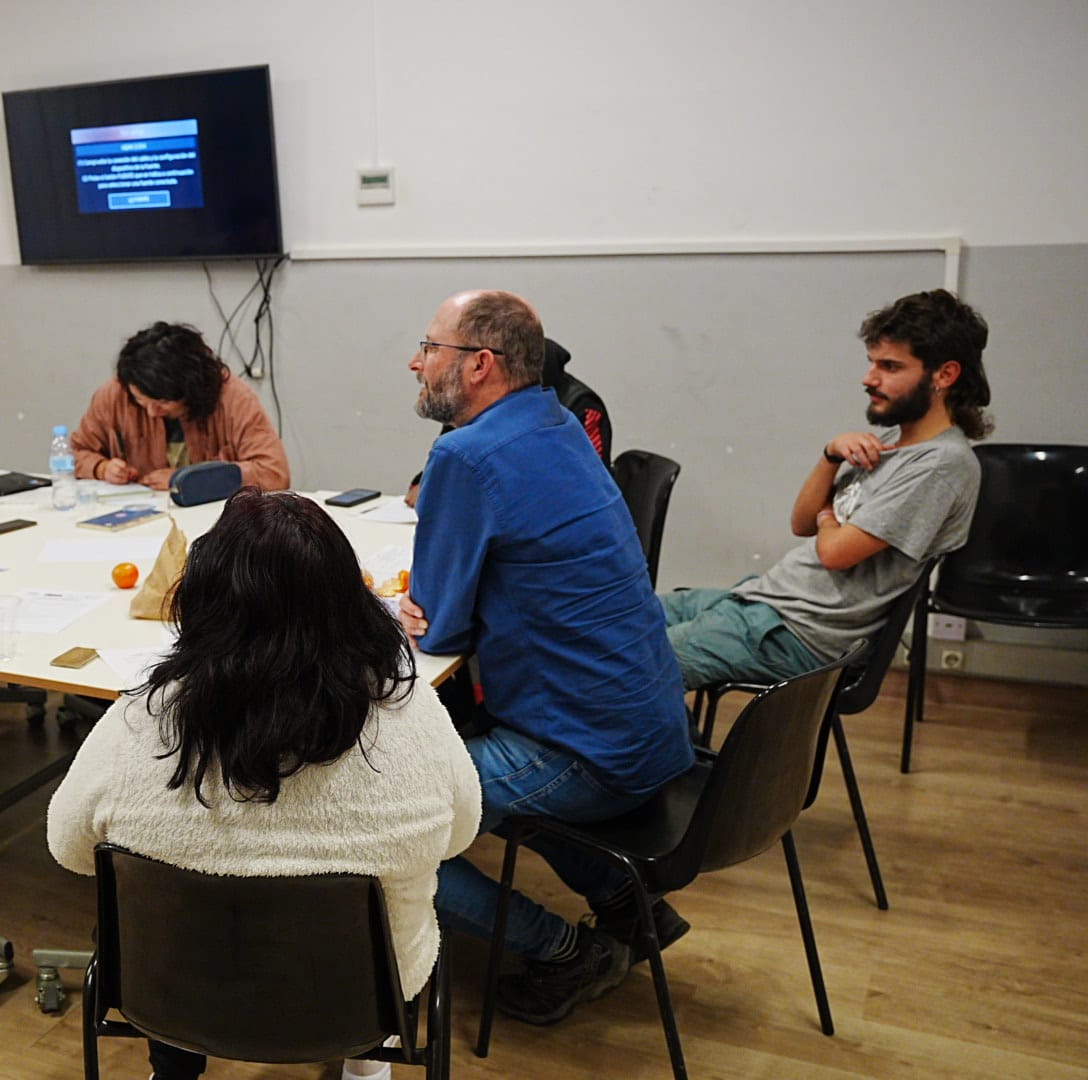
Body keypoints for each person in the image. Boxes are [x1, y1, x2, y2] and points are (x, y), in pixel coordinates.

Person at [48, 489, 481, 1080]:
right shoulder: (408, 711)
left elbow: (68, 848)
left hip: (172, 996)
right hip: (359, 1002)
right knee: (395, 906)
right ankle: (366, 1067)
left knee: (162, 921)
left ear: (202, 602)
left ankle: (172, 1072)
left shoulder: (142, 716)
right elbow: (460, 834)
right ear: (348, 601)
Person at [399, 291, 694, 1026]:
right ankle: (628, 904)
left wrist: (419, 607)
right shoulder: (557, 422)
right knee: (466, 770)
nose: (415, 362)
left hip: (584, 754)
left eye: (430, 348)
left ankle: (566, 951)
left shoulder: (465, 454)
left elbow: (438, 631)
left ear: (479, 365)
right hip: (650, 731)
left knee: (381, 824)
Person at [663, 289, 988, 689]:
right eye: (872, 362)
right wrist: (830, 456)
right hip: (766, 603)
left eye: (889, 366)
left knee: (627, 667)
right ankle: (669, 724)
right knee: (621, 617)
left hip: (799, 636)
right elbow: (802, 524)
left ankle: (663, 726)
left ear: (944, 375)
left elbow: (834, 552)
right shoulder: (893, 442)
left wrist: (827, 518)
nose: (869, 379)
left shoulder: (940, 464)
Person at [70, 321, 290, 492]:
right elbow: (73, 453)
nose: (151, 412)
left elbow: (273, 472)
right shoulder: (115, 395)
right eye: (141, 401)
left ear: (192, 390)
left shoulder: (233, 397)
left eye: (163, 403)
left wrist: (188, 479)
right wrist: (102, 468)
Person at [403, 336, 609, 506]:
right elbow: (446, 469)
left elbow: (586, 489)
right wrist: (425, 482)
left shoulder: (580, 407)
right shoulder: (475, 403)